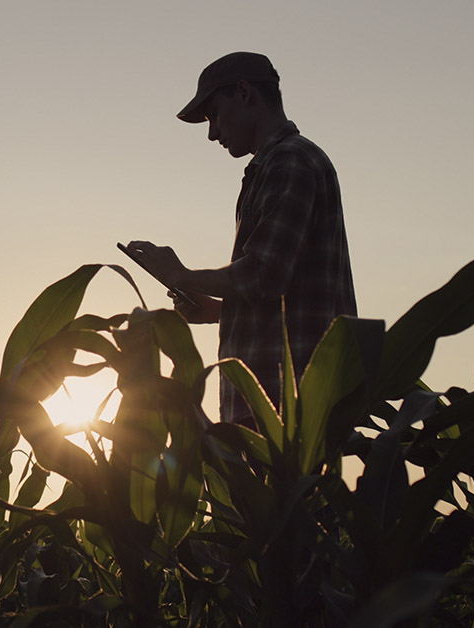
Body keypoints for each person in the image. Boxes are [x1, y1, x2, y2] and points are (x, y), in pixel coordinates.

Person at [125, 51, 356, 427]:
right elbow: (284, 291)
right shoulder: (275, 165)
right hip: (277, 399)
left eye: (214, 114)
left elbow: (264, 274)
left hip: (286, 402)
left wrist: (181, 275)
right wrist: (219, 312)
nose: (213, 131)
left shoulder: (289, 162)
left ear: (245, 92)